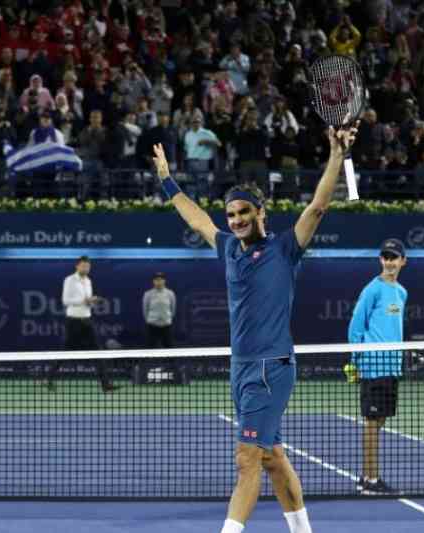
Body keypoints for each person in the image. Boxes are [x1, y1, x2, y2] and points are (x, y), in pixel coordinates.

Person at [151, 120, 359, 533]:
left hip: (272, 366)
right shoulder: (227, 247)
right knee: (273, 457)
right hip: (242, 367)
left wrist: (337, 155)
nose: (236, 219)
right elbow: (197, 221)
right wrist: (168, 182)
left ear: (261, 212)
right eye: (231, 214)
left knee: (247, 456)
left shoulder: (285, 247)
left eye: (244, 211)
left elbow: (317, 207)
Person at [346, 238, 408, 494]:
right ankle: (371, 479)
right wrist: (355, 360)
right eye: (386, 257)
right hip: (373, 364)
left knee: (379, 420)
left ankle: (367, 476)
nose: (390, 262)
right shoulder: (372, 289)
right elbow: (356, 326)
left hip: (391, 367)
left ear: (403, 261)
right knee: (372, 422)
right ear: (380, 260)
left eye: (394, 257)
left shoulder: (402, 292)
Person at [47, 256, 118, 393]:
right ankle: (49, 379)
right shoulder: (69, 280)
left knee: (98, 353)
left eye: (88, 266)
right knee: (64, 353)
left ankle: (106, 385)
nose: (86, 268)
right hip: (73, 321)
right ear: (77, 266)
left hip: (87, 321)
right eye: (83, 266)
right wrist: (84, 300)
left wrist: (92, 302)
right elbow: (65, 300)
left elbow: (86, 302)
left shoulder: (89, 281)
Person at [143, 272, 176, 348]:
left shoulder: (170, 293)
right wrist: (150, 321)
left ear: (164, 281)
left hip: (166, 325)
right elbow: (145, 310)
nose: (159, 282)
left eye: (161, 280)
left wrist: (167, 319)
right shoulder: (148, 294)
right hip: (152, 326)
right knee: (149, 349)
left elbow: (173, 309)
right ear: (153, 281)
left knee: (169, 349)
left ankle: (169, 360)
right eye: (157, 280)